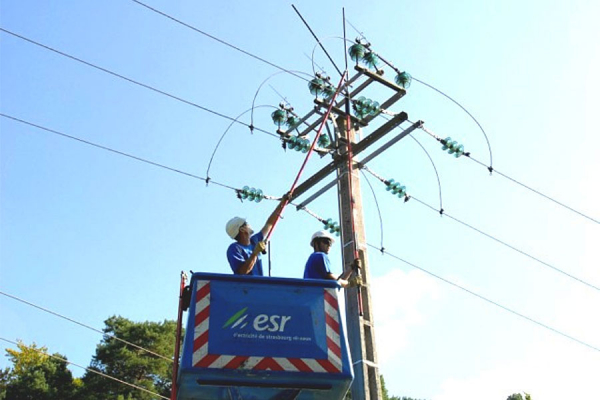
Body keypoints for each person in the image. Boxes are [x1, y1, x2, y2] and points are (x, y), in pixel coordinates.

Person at [225, 197, 287, 276]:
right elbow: (242, 272)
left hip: (260, 286)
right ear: (242, 229)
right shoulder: (234, 248)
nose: (249, 224)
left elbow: (269, 224)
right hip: (247, 288)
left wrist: (282, 204)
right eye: (246, 223)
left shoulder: (254, 241)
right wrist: (255, 253)